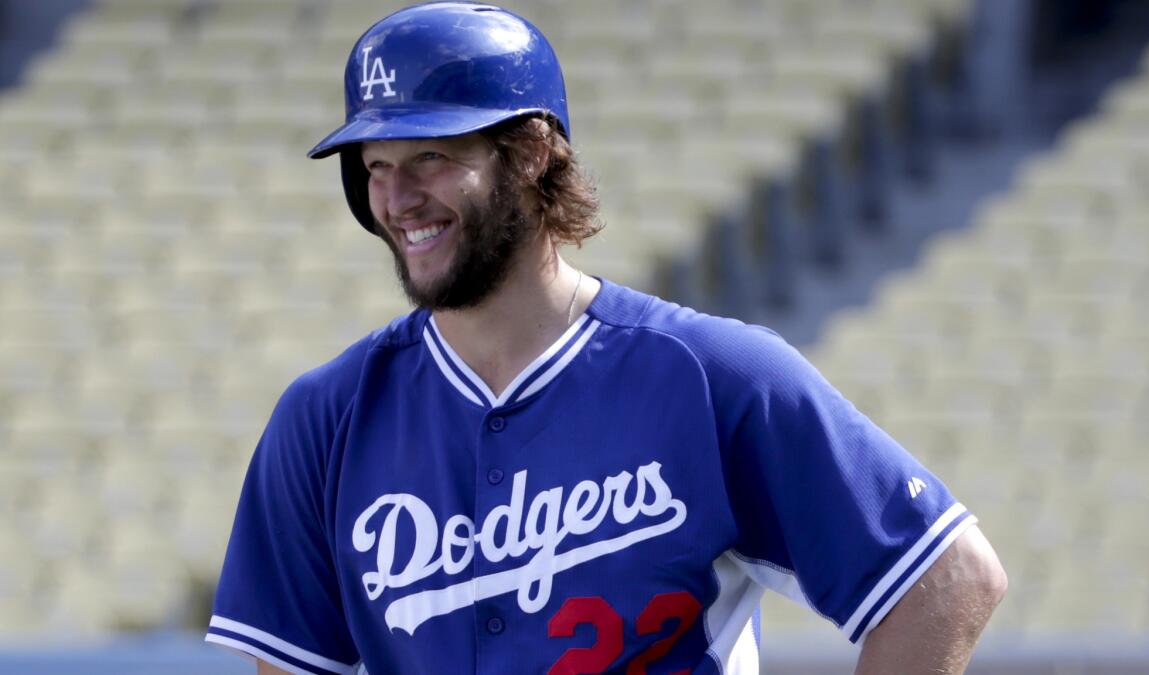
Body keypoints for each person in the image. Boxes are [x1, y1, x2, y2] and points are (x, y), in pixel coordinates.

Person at [205, 3, 1007, 674]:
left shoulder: (709, 375)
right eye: (374, 166)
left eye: (431, 158)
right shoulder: (324, 418)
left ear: (529, 153)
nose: (397, 198)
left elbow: (948, 577)